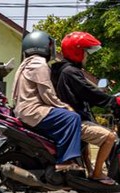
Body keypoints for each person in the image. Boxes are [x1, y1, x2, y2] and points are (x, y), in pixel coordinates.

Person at [11, 31, 83, 172]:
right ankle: (65, 161)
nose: (51, 49)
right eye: (50, 46)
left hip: (22, 110)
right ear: (42, 47)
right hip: (33, 110)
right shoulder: (39, 64)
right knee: (73, 118)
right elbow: (47, 94)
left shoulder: (25, 64)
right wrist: (64, 106)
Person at [51, 31, 117, 185]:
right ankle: (97, 174)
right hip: (73, 119)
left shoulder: (60, 69)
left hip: (66, 118)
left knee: (87, 142)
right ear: (77, 52)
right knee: (110, 137)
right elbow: (89, 92)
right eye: (85, 52)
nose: (86, 56)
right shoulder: (71, 72)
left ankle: (87, 171)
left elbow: (86, 92)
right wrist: (112, 101)